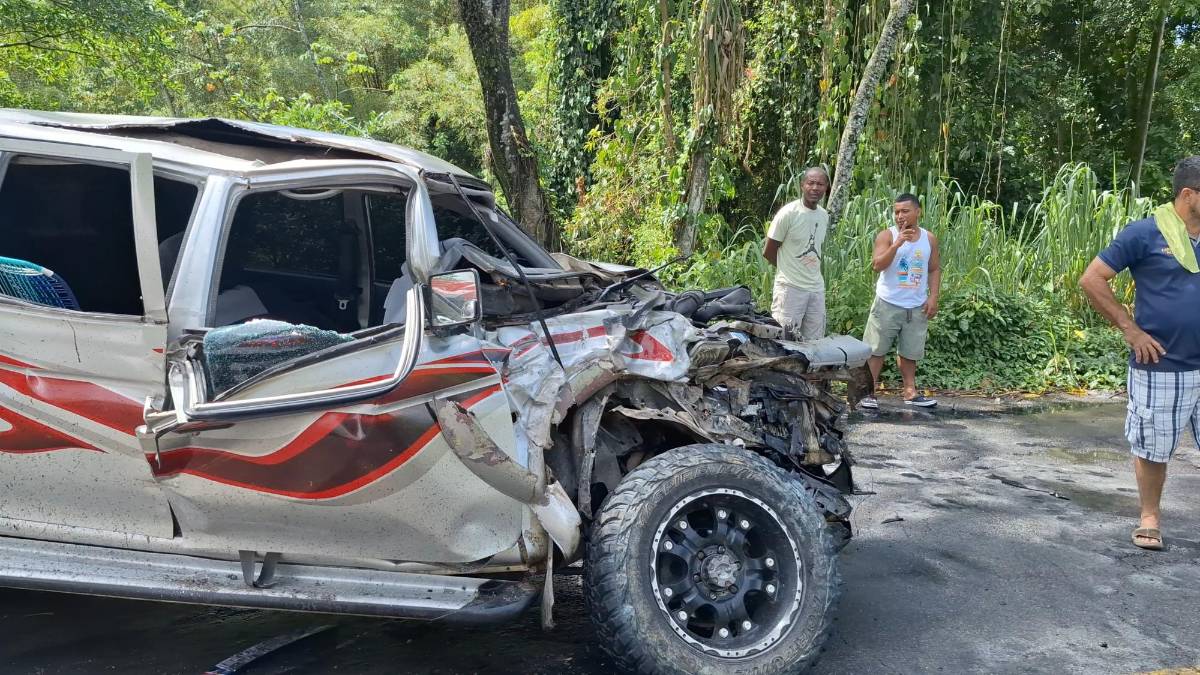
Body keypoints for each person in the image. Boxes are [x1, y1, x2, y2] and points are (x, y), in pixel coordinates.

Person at [1079, 156, 1200, 551]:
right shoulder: (1146, 233)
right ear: (1188, 195)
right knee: (1153, 446)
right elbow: (1092, 279)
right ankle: (1150, 517)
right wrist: (1131, 330)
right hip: (1163, 365)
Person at [859, 193, 941, 409]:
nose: (900, 216)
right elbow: (877, 265)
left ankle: (910, 392)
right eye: (896, 212)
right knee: (875, 349)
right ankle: (868, 393)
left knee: (910, 351)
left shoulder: (929, 238)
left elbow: (934, 269)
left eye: (905, 211)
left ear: (918, 212)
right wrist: (896, 244)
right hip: (887, 303)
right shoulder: (887, 235)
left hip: (916, 305)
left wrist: (933, 296)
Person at [763, 167, 830, 341]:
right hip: (790, 288)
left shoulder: (823, 215)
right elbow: (768, 251)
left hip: (816, 290)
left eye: (820, 184)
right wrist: (789, 269)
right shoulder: (789, 213)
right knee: (784, 341)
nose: (815, 188)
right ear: (802, 185)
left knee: (815, 343)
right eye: (811, 183)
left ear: (826, 188)